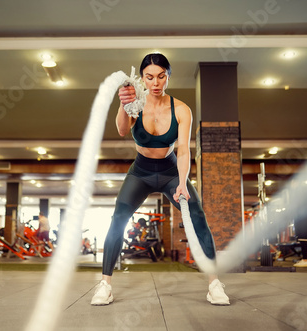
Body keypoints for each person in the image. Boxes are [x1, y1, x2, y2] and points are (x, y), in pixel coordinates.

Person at [91, 53, 230, 306]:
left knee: (198, 216)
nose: (155, 83)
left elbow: (185, 150)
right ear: (142, 78)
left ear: (168, 77)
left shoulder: (181, 109)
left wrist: (182, 182)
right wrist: (123, 105)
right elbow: (122, 130)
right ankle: (105, 284)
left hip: (169, 171)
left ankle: (214, 283)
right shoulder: (136, 103)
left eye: (161, 76)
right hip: (140, 172)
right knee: (118, 218)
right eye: (149, 77)